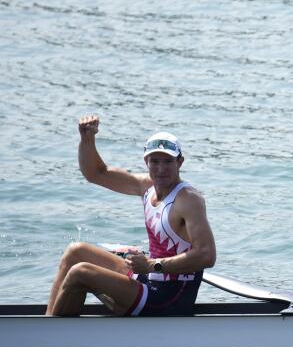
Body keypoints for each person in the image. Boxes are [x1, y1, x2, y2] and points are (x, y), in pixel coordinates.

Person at [45, 115, 217, 316]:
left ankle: (50, 338)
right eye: (155, 161)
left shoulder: (188, 199)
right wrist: (87, 138)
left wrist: (153, 264)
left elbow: (207, 255)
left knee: (81, 272)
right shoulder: (146, 186)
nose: (161, 169)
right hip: (149, 279)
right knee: (75, 252)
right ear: (146, 161)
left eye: (168, 162)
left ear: (180, 162)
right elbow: (96, 173)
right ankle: (48, 321)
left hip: (170, 297)